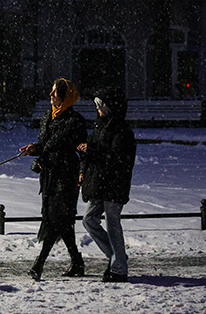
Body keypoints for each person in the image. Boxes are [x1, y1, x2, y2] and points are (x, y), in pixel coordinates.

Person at [20, 78, 88, 281]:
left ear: (65, 96)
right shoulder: (47, 117)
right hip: (49, 176)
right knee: (61, 221)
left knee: (55, 219)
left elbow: (83, 149)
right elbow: (44, 144)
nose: (51, 95)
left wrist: (83, 172)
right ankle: (77, 261)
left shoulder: (75, 121)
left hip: (67, 176)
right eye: (51, 92)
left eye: (55, 93)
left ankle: (39, 264)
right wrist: (33, 149)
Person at [77, 87, 136, 283]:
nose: (98, 110)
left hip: (113, 185)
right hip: (99, 183)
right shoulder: (100, 127)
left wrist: (92, 150)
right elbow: (95, 152)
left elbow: (119, 159)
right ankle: (116, 257)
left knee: (112, 225)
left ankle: (119, 268)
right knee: (89, 220)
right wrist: (83, 170)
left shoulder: (121, 131)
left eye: (100, 106)